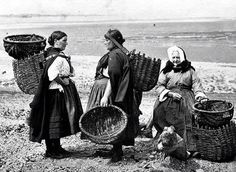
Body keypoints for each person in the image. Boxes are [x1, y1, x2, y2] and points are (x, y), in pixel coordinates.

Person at [28, 31, 83, 159]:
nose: (66, 43)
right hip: (55, 93)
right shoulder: (56, 57)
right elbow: (52, 74)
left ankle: (57, 148)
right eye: (64, 40)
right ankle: (51, 151)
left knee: (55, 121)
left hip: (54, 93)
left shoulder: (54, 55)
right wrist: (63, 82)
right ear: (56, 41)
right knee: (53, 121)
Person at [150, 46, 207, 158]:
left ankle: (189, 147)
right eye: (173, 57)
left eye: (177, 57)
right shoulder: (166, 71)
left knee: (189, 117)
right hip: (169, 97)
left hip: (186, 98)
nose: (175, 59)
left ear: (182, 57)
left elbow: (196, 85)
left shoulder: (190, 71)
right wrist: (169, 93)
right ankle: (166, 144)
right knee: (160, 114)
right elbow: (159, 86)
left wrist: (200, 95)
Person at [93, 29, 139, 163]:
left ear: (114, 42)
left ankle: (117, 153)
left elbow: (114, 79)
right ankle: (116, 149)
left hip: (118, 94)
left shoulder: (114, 55)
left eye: (107, 40)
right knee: (121, 119)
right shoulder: (123, 53)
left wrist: (105, 96)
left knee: (115, 120)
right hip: (125, 93)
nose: (105, 42)